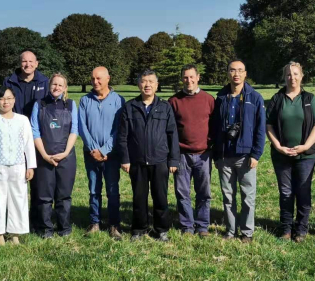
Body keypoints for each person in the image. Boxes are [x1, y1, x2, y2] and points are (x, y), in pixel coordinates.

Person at [117, 70, 180, 242]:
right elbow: (123, 136)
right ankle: (139, 229)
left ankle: (161, 229)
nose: (147, 85)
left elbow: (172, 134)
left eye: (151, 81)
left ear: (157, 85)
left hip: (160, 161)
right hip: (137, 161)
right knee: (139, 197)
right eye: (144, 81)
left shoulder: (165, 107)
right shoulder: (129, 107)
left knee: (160, 197)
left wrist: (174, 160)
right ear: (138, 84)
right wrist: (125, 158)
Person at [266, 62, 315, 243]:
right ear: (285, 77)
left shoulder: (310, 99)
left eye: (296, 74)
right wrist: (277, 145)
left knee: (303, 190)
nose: (292, 77)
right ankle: (286, 228)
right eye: (289, 74)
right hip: (281, 155)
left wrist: (306, 145)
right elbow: (269, 125)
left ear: (302, 75)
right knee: (285, 192)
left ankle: (301, 228)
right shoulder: (277, 99)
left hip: (306, 155)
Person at [211, 60, 266, 242]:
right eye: (232, 70)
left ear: (245, 73)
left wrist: (256, 154)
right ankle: (230, 230)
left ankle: (247, 232)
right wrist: (217, 155)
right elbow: (214, 128)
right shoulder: (220, 97)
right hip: (225, 155)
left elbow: (260, 128)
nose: (236, 74)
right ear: (227, 73)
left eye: (240, 70)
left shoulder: (254, 98)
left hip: (246, 155)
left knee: (247, 197)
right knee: (228, 196)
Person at [0, 86, 37, 245]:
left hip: (18, 167)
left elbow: (28, 144)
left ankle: (15, 234)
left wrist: (30, 166)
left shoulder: (23, 120)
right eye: (2, 99)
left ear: (14, 100)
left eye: (9, 98)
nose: (6, 102)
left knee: (18, 200)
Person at [3, 50, 49, 227]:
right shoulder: (9, 82)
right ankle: (14, 220)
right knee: (14, 180)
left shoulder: (45, 82)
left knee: (37, 181)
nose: (27, 64)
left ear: (37, 63)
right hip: (13, 138)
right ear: (20, 63)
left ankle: (36, 220)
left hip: (38, 138)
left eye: (31, 61)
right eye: (24, 61)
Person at [78, 66, 125, 240]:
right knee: (93, 189)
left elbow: (119, 128)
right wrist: (93, 149)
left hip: (111, 155)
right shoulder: (84, 100)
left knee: (113, 190)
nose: (95, 82)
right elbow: (82, 127)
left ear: (108, 79)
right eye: (92, 79)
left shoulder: (119, 100)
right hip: (90, 155)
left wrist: (105, 150)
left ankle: (114, 225)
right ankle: (94, 222)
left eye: (99, 78)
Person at [168, 65, 215, 237]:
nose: (189, 80)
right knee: (182, 193)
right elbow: (169, 130)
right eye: (185, 77)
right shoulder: (174, 101)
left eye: (191, 77)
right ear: (182, 79)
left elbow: (214, 126)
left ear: (198, 77)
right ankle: (187, 226)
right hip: (182, 154)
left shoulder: (208, 100)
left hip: (203, 154)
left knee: (204, 193)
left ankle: (202, 226)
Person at [30, 73, 78, 238]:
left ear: (65, 88)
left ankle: (64, 228)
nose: (57, 87)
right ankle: (46, 229)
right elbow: (34, 131)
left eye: (60, 85)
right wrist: (44, 155)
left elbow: (74, 131)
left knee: (64, 195)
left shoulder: (71, 105)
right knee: (44, 195)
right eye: (54, 84)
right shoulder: (40, 104)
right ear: (49, 85)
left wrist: (65, 152)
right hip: (44, 157)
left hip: (67, 157)